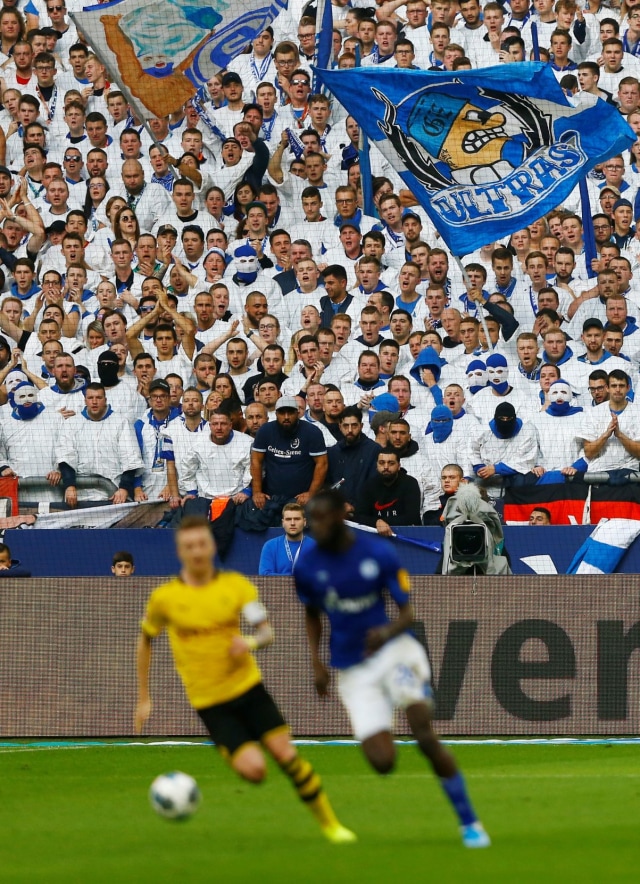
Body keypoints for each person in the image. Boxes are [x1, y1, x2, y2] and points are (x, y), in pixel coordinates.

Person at [135, 516, 355, 844]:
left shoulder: (236, 586)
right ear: (180, 551)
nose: (197, 551)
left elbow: (266, 633)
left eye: (202, 543)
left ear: (212, 546)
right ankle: (230, 747)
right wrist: (144, 696)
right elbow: (146, 639)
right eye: (189, 546)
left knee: (288, 758)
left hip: (249, 688)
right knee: (255, 773)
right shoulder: (164, 599)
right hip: (210, 702)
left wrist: (249, 643)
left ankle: (331, 825)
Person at [294, 490, 490, 849]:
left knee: (424, 735)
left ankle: (470, 823)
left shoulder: (378, 553)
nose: (315, 526)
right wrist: (316, 660)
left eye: (321, 518)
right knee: (383, 763)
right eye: (311, 519)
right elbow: (311, 613)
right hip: (353, 668)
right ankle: (389, 707)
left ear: (341, 515)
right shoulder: (307, 566)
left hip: (394, 653)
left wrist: (385, 632)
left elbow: (408, 613)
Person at [354, 448, 422, 534]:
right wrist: (376, 522)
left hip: (405, 535)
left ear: (399, 466)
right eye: (382, 463)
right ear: (377, 465)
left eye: (391, 463)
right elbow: (359, 517)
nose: (386, 467)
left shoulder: (410, 483)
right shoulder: (368, 485)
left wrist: (381, 523)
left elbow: (412, 518)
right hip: (376, 536)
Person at [258, 502, 315, 575]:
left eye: (297, 519)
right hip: (278, 586)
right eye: (288, 519)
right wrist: (293, 578)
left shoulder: (314, 547)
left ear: (304, 522)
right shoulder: (270, 546)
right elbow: (264, 575)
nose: (292, 523)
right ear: (283, 523)